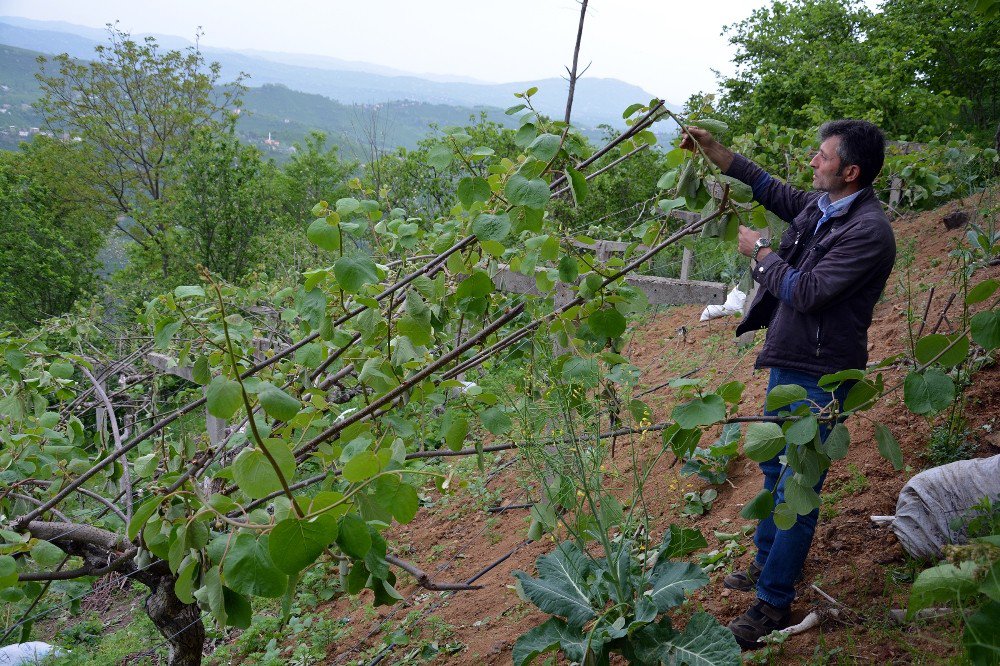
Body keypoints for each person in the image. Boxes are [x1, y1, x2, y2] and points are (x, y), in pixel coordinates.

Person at [679, 119, 896, 648]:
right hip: (792, 358)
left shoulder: (867, 231)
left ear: (850, 171)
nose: (813, 163)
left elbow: (807, 291)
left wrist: (760, 254)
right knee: (776, 469)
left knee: (799, 487)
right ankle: (763, 564)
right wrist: (715, 152)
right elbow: (769, 186)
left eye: (822, 157)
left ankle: (774, 603)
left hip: (821, 372)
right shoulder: (823, 207)